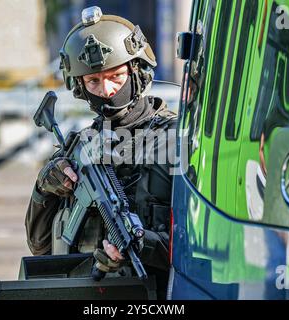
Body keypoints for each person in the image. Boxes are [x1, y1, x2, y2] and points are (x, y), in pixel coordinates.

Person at [24, 6, 177, 299]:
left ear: (138, 73)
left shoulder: (173, 141)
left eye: (116, 76)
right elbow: (40, 246)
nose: (106, 90)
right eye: (93, 81)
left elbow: (200, 245)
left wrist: (141, 246)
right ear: (80, 87)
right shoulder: (78, 146)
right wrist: (45, 186)